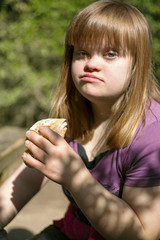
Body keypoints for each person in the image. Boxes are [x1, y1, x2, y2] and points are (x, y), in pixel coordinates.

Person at [0, 0, 160, 239]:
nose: (91, 64)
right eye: (82, 53)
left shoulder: (152, 136)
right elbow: (25, 183)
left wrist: (75, 176)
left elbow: (143, 234)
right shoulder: (68, 119)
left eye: (110, 54)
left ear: (138, 64)